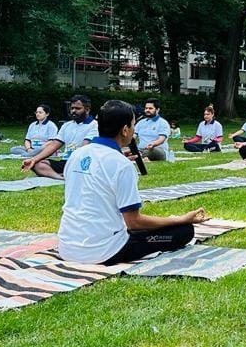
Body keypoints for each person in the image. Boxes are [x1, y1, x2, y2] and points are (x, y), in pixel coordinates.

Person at [57, 100, 208, 265]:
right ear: (125, 130)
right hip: (102, 251)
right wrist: (180, 219)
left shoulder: (77, 155)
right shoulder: (122, 165)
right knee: (183, 231)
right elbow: (134, 222)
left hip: (67, 246)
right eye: (133, 125)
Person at [21, 95, 98, 180]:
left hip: (80, 161)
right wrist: (34, 159)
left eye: (77, 108)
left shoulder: (94, 125)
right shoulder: (66, 125)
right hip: (65, 161)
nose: (73, 111)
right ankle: (60, 177)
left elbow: (84, 148)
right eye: (72, 108)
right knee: (37, 164)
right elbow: (54, 145)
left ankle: (67, 173)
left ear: (87, 110)